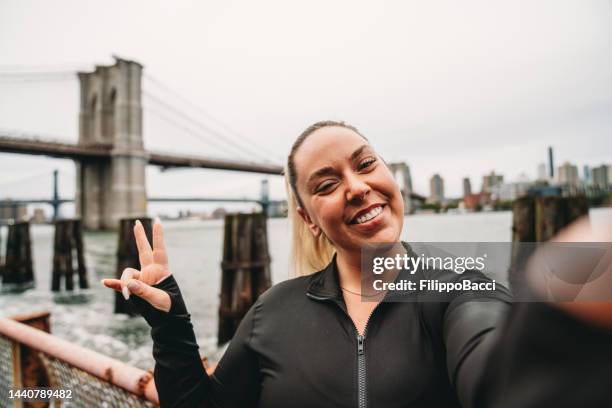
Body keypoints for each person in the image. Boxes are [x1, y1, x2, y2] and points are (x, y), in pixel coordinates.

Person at [103, 121, 612, 408]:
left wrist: (560, 330)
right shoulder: (273, 312)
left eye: (366, 163)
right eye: (326, 184)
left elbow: (493, 370)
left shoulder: (459, 286)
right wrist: (171, 324)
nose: (356, 186)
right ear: (308, 218)